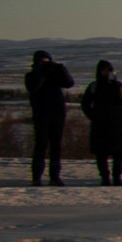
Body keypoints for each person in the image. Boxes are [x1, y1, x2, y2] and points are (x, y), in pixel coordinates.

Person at [24, 50, 75, 186]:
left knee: (56, 146)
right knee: (41, 145)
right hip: (41, 114)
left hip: (57, 114)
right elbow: (33, 87)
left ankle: (55, 176)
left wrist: (61, 69)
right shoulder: (31, 76)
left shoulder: (55, 75)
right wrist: (41, 73)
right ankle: (36, 177)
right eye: (42, 61)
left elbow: (69, 83)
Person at [79, 60, 122, 186]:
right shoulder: (94, 86)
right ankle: (105, 177)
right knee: (101, 153)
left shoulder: (117, 85)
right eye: (104, 70)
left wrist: (116, 86)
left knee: (118, 153)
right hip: (100, 124)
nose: (107, 73)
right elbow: (85, 104)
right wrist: (94, 116)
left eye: (109, 70)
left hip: (116, 123)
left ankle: (117, 177)